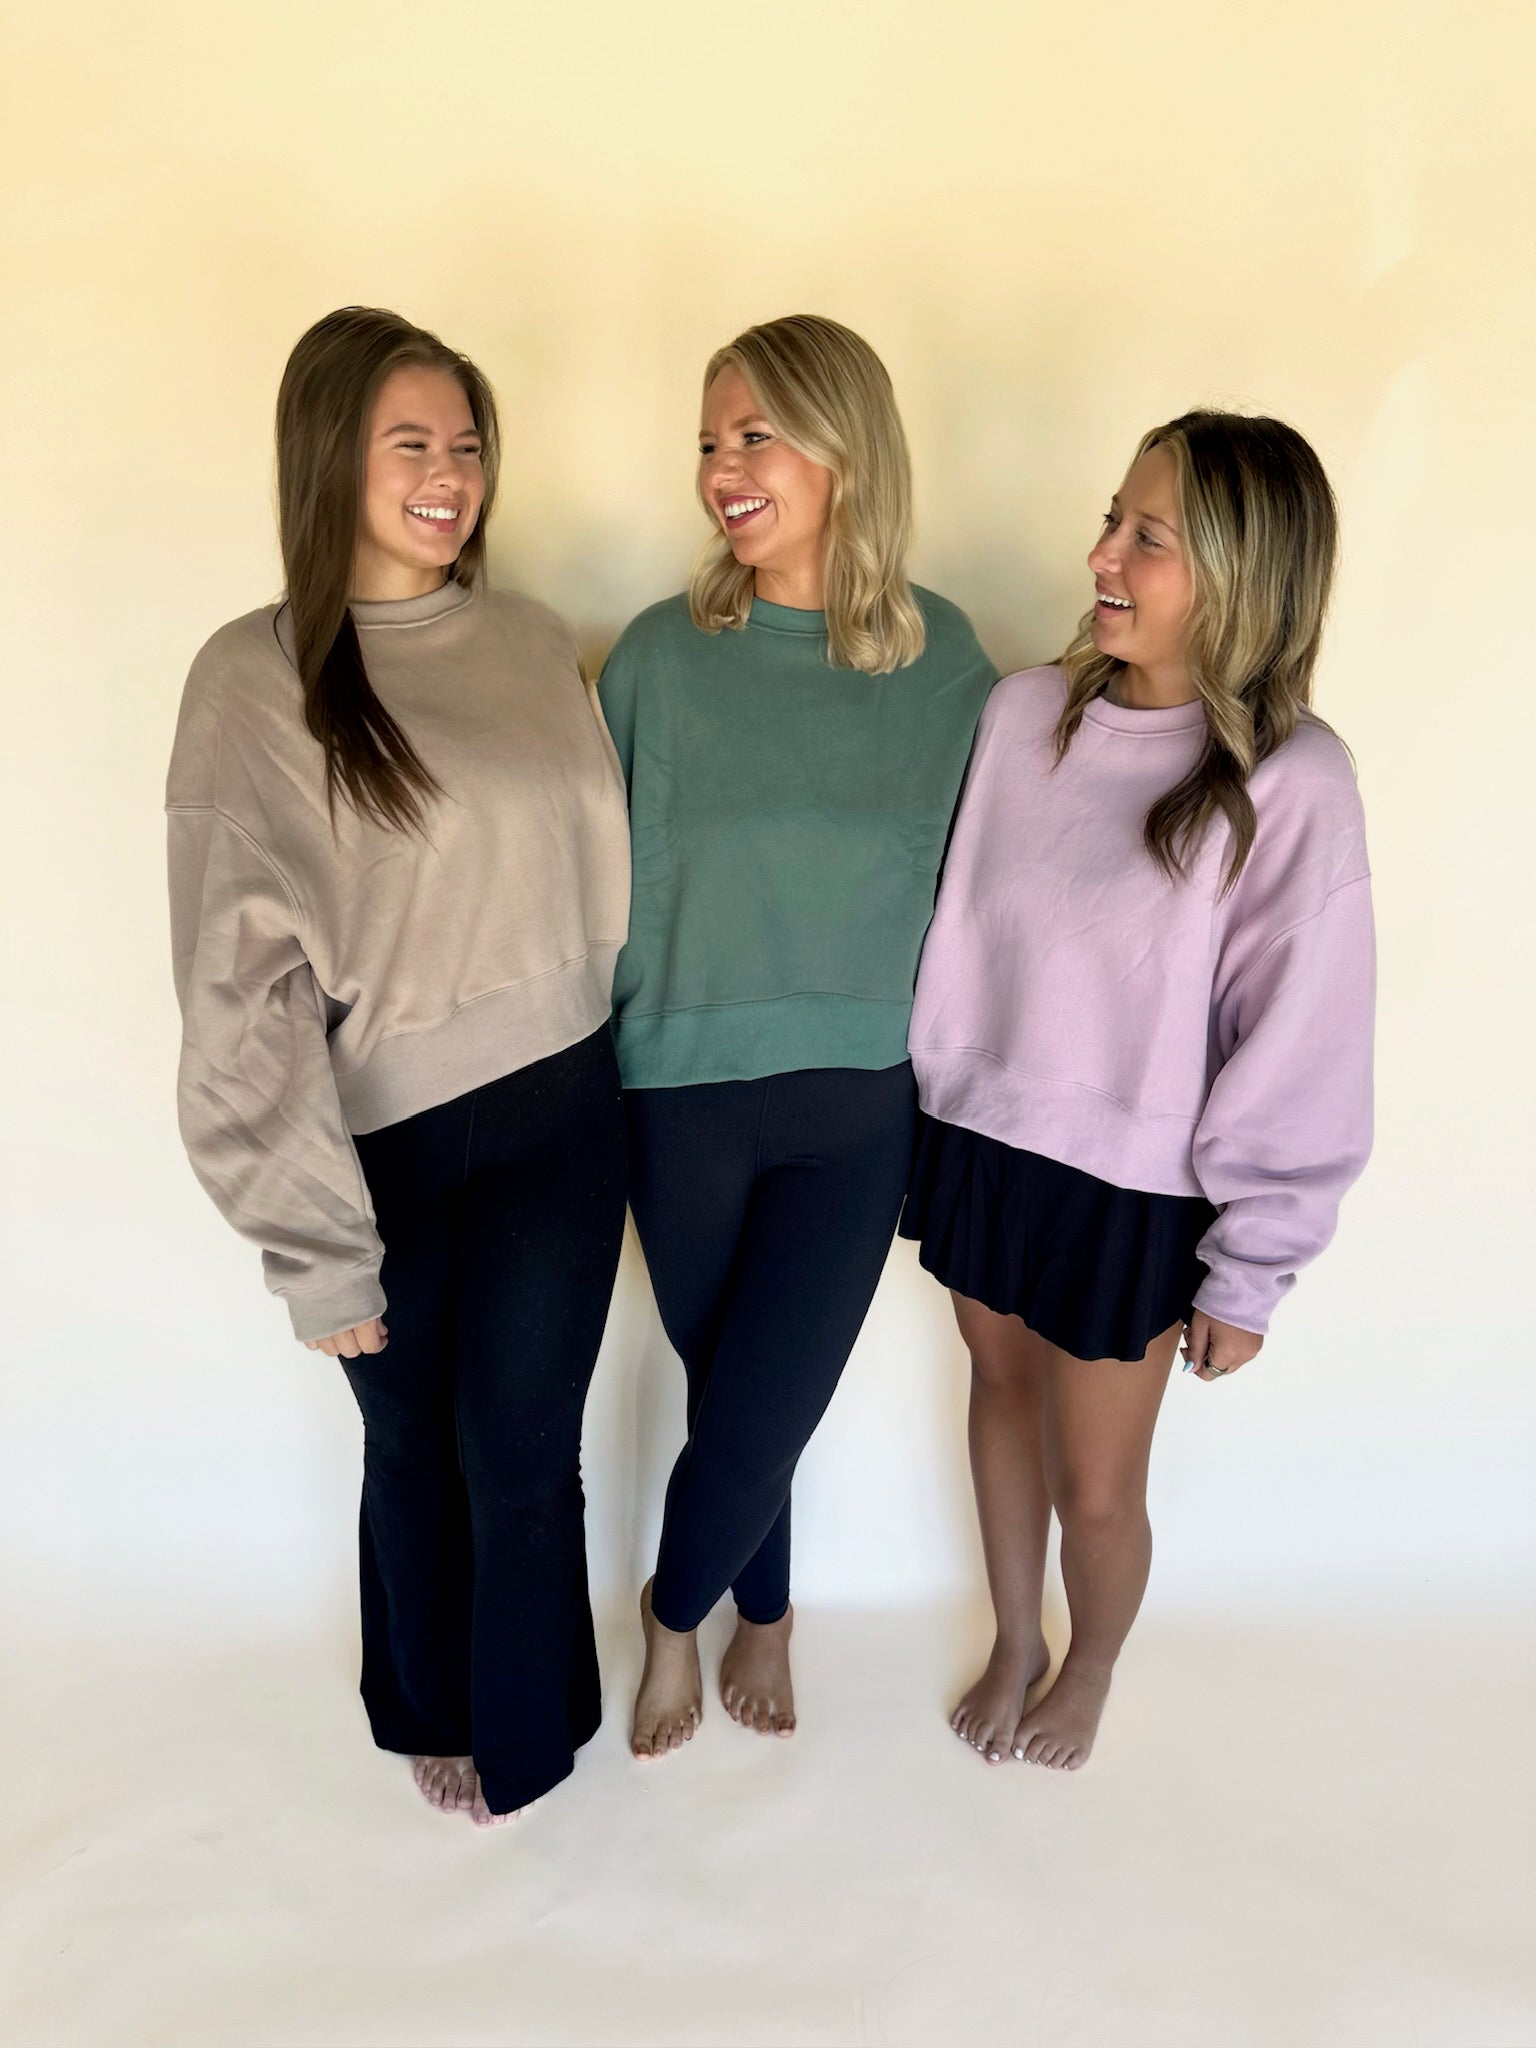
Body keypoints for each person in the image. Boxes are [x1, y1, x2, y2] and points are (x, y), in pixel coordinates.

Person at [166, 307, 631, 1824]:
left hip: (567, 1102)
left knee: (525, 1450)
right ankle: (424, 1708)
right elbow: (238, 992)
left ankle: (536, 1729)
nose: (451, 477)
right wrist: (315, 1249)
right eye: (411, 444)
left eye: (469, 445)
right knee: (416, 1452)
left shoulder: (523, 637)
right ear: (328, 459)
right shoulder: (256, 680)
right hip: (393, 1142)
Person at [903, 411, 1374, 1770]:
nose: (1101, 552)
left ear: (1239, 572)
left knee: (1098, 1485)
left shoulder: (1291, 783)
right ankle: (1014, 1637)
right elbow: (962, 928)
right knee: (995, 1399)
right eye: (1113, 518)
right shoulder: (1019, 716)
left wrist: (1253, 1268)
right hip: (983, 1142)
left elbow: (1304, 1036)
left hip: (1137, 1184)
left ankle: (1092, 1659)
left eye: (1147, 536)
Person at [599, 314, 997, 1759]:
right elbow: (591, 884)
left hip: (859, 1105)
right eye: (709, 441)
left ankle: (672, 1613)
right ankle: (757, 1610)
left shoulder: (949, 664)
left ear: (846, 446)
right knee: (732, 1396)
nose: (723, 468)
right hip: (681, 1090)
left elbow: (994, 885)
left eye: (754, 434)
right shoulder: (655, 658)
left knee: (767, 1403)